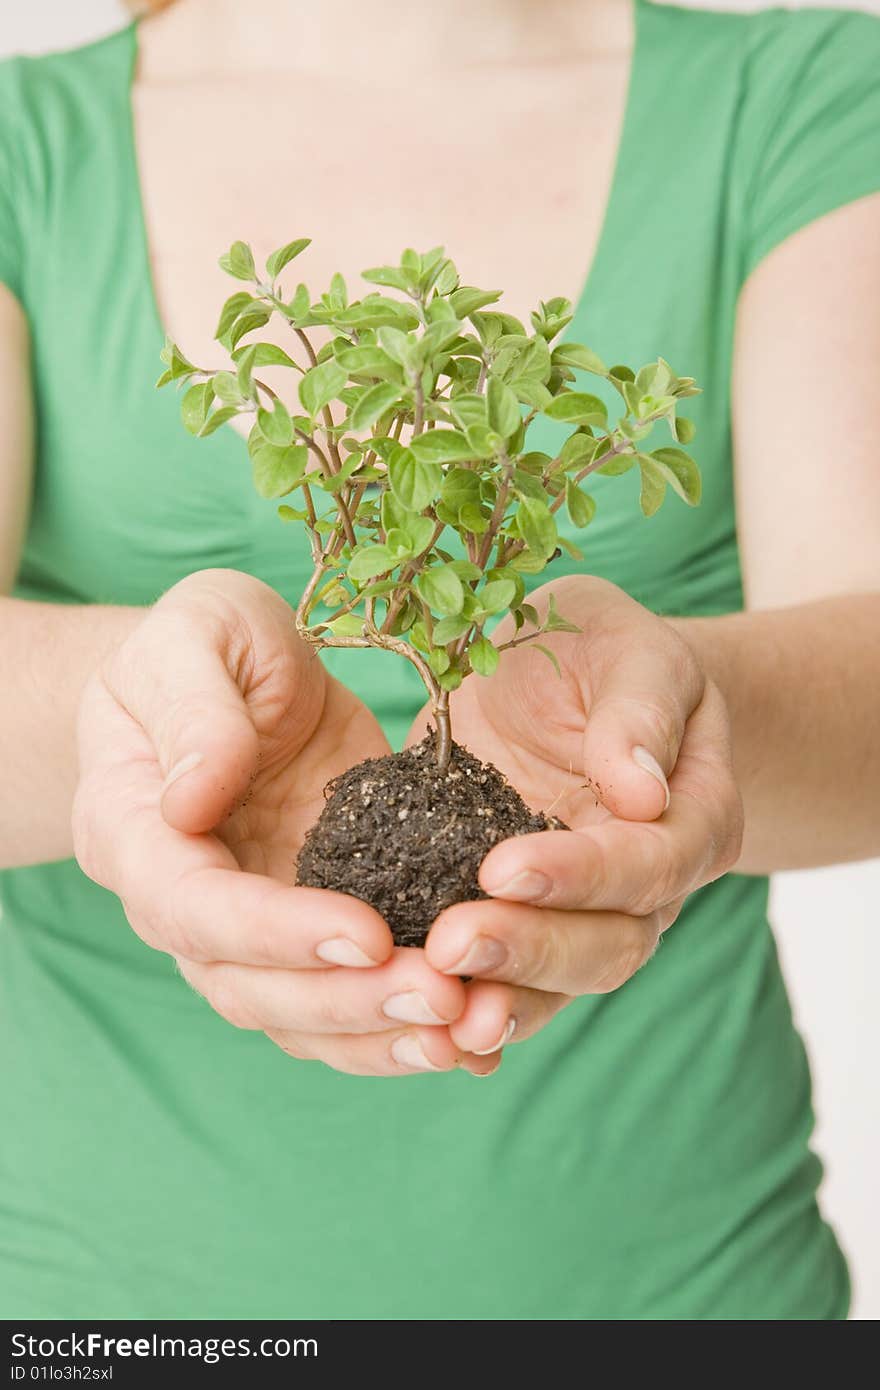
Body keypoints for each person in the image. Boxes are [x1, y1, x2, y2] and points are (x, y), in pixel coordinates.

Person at [1, 0, 878, 1320]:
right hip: (101, 1308)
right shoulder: (27, 140)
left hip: (686, 1289)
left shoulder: (807, 88)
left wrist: (666, 706)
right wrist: (141, 702)